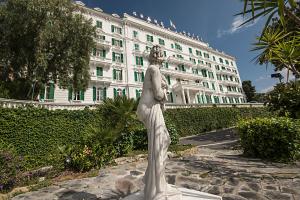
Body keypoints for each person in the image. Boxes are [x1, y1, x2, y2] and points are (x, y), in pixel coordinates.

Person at [136, 45, 171, 200]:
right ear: (160, 57)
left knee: (162, 142)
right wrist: (166, 94)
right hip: (151, 107)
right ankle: (156, 189)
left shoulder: (152, 69)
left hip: (148, 108)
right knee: (160, 143)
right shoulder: (154, 70)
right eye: (162, 54)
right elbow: (158, 94)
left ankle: (156, 183)